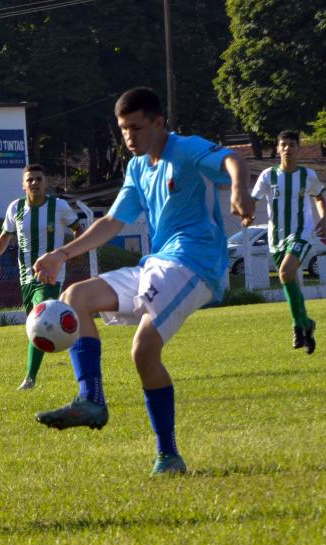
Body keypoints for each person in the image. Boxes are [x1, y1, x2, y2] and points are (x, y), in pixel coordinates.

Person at [32, 88, 254, 476]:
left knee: (143, 349)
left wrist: (238, 189)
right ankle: (91, 400)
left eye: (136, 127)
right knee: (75, 296)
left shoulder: (185, 150)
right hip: (158, 263)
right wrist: (61, 254)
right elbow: (112, 223)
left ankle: (168, 455)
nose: (129, 136)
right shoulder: (137, 168)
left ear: (158, 123)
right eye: (122, 129)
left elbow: (233, 159)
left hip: (194, 263)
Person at [0, 164, 81, 390]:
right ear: (23, 184)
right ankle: (65, 348)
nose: (34, 183)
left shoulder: (58, 206)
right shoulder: (15, 208)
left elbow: (78, 229)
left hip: (50, 274)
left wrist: (73, 252)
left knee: (39, 321)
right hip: (25, 276)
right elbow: (5, 236)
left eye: (39, 179)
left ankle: (30, 378)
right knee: (33, 323)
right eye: (30, 180)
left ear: (45, 182)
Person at [249, 130, 326, 354]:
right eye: (283, 144)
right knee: (290, 280)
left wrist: (323, 219)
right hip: (276, 237)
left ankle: (297, 327)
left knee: (284, 273)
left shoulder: (307, 175)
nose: (287, 148)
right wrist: (247, 213)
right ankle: (307, 323)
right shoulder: (267, 176)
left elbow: (320, 196)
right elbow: (253, 199)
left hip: (301, 232)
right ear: (277, 148)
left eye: (292, 144)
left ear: (298, 148)